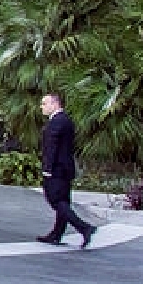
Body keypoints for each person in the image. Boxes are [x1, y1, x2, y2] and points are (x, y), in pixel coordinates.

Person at [38, 92, 96, 248]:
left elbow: (52, 147)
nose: (42, 107)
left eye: (44, 103)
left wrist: (47, 168)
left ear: (54, 104)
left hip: (56, 169)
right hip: (65, 168)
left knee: (56, 201)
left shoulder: (56, 122)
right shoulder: (66, 120)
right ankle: (57, 234)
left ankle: (84, 228)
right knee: (63, 202)